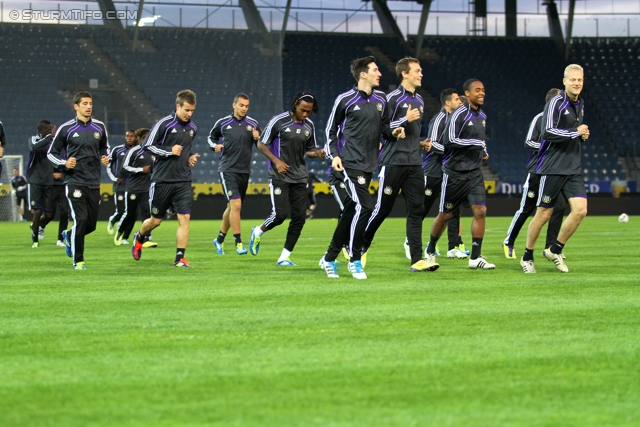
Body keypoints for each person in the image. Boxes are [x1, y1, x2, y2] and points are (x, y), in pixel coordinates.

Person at [319, 56, 404, 279]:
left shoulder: (381, 99)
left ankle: (329, 258)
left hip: (369, 163)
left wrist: (393, 133)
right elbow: (330, 130)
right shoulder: (345, 99)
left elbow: (385, 128)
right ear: (363, 74)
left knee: (350, 211)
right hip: (349, 162)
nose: (380, 74)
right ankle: (355, 259)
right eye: (375, 70)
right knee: (365, 206)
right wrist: (334, 155)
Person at [361, 57, 438, 273]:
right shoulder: (391, 99)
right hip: (392, 162)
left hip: (414, 164)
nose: (421, 74)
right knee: (382, 209)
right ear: (405, 73)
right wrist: (402, 121)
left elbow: (410, 133)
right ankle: (360, 246)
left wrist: (421, 143)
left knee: (417, 210)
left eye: (421, 70)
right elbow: (381, 129)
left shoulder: (420, 101)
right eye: (417, 70)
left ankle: (417, 260)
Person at [521, 64, 589, 274]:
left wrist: (582, 136)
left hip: (572, 168)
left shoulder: (581, 104)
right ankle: (527, 256)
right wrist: (574, 133)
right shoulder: (555, 103)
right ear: (564, 81)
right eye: (573, 80)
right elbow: (548, 132)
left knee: (580, 210)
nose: (577, 83)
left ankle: (555, 249)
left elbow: (573, 134)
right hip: (552, 167)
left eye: (580, 80)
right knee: (543, 214)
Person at [424, 78, 495, 270]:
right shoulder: (459, 114)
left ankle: (476, 257)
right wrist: (475, 145)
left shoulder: (482, 116)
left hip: (474, 172)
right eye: (477, 90)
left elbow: (480, 140)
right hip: (454, 173)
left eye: (483, 90)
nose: (482, 93)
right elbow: (449, 140)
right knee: (445, 215)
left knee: (480, 211)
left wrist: (484, 150)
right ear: (468, 94)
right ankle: (430, 250)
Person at [248, 92, 325, 266]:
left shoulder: (309, 126)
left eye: (309, 111)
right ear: (295, 104)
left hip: (299, 176)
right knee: (280, 215)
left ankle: (284, 257)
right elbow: (261, 143)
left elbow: (309, 150)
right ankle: (258, 231)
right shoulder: (279, 121)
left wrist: (318, 153)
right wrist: (276, 161)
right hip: (279, 175)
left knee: (299, 217)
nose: (305, 114)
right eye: (303, 110)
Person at [131, 89, 200, 267]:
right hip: (162, 180)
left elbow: (185, 149)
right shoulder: (164, 124)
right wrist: (169, 150)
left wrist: (189, 157)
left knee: (184, 219)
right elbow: (147, 146)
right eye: (186, 110)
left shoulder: (193, 128)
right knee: (156, 221)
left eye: (192, 110)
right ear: (178, 106)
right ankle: (139, 236)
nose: (189, 114)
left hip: (183, 180)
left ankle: (179, 258)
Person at [47, 91, 110, 270]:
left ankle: (69, 235)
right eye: (85, 103)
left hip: (93, 181)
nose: (89, 106)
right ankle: (78, 261)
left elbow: (106, 148)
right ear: (76, 106)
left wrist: (106, 157)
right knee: (81, 220)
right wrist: (64, 163)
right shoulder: (66, 129)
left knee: (90, 225)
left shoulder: (99, 127)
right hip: (73, 180)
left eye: (90, 103)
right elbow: (51, 153)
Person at [503, 88, 566, 259]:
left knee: (559, 207)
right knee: (526, 208)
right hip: (536, 171)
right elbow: (529, 142)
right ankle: (509, 241)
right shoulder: (540, 118)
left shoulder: (563, 122)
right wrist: (548, 148)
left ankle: (551, 247)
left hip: (554, 172)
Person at [412, 88, 468, 261]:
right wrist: (457, 152)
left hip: (449, 171)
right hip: (434, 170)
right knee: (424, 207)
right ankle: (410, 240)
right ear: (447, 103)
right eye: (457, 99)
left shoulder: (457, 120)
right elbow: (432, 145)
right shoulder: (440, 119)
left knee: (453, 210)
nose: (460, 102)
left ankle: (453, 247)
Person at [208, 93, 260, 255]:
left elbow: (261, 144)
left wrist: (258, 139)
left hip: (244, 170)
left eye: (246, 106)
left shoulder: (253, 124)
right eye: (241, 105)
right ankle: (238, 243)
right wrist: (214, 146)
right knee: (236, 205)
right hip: (227, 169)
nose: (244, 108)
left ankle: (219, 239)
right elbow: (211, 137)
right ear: (234, 105)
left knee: (232, 207)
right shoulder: (223, 123)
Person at [115, 128, 156, 247]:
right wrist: (140, 170)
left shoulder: (153, 152)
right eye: (147, 136)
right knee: (129, 213)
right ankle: (119, 232)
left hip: (146, 188)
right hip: (133, 188)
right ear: (141, 138)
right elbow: (124, 167)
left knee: (147, 214)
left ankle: (146, 238)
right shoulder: (134, 151)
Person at [26, 120, 56, 247]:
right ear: (43, 130)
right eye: (48, 129)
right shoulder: (33, 139)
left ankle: (36, 226)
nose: (50, 131)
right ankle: (35, 240)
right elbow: (34, 147)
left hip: (48, 180)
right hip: (35, 180)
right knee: (37, 212)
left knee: (49, 214)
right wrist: (50, 137)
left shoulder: (52, 142)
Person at [106, 130, 137, 235]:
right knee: (121, 211)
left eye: (132, 136)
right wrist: (115, 179)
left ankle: (123, 236)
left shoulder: (139, 151)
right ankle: (113, 220)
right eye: (127, 136)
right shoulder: (117, 150)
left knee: (131, 213)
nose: (129, 138)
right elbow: (108, 166)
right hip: (120, 185)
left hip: (133, 186)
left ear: (136, 138)